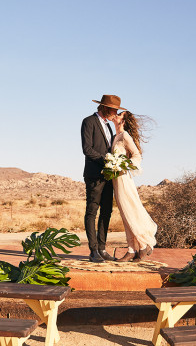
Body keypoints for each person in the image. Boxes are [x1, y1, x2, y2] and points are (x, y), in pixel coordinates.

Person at [81, 94, 125, 263]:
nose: (116, 112)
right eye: (114, 109)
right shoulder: (88, 122)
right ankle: (93, 251)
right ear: (105, 107)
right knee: (92, 211)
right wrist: (106, 160)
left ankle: (102, 248)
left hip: (109, 176)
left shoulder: (109, 126)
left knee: (107, 211)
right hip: (94, 174)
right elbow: (87, 149)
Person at [110, 111, 157, 262]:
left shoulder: (125, 136)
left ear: (123, 121)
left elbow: (137, 155)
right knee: (125, 214)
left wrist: (123, 165)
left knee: (130, 211)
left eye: (119, 114)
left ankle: (143, 245)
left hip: (123, 178)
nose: (115, 115)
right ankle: (131, 249)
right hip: (115, 179)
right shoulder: (115, 136)